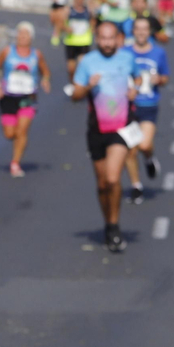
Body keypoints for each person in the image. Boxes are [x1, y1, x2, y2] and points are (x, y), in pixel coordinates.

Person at [69, 21, 136, 253]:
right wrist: (88, 86)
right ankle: (108, 223)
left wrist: (135, 89)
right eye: (103, 38)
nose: (107, 43)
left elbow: (138, 78)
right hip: (97, 128)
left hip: (121, 128)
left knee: (112, 178)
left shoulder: (127, 58)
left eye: (111, 38)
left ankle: (114, 225)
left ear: (117, 38)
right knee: (102, 184)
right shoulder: (87, 62)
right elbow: (75, 95)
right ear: (97, 39)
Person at [0, 22, 51, 177]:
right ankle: (16, 156)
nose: (22, 37)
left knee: (22, 130)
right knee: (10, 134)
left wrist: (45, 80)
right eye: (20, 33)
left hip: (27, 98)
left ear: (31, 37)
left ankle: (15, 163)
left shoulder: (36, 55)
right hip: (8, 97)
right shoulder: (7, 51)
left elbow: (45, 71)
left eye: (26, 34)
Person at [122, 16, 170, 202]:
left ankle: (149, 158)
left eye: (145, 29)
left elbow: (165, 77)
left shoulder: (158, 53)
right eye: (138, 29)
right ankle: (136, 186)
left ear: (149, 32)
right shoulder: (125, 52)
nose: (141, 32)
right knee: (130, 149)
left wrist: (159, 80)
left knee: (144, 145)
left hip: (149, 105)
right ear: (133, 31)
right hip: (128, 107)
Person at [61, 0, 96, 80]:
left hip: (84, 42)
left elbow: (93, 22)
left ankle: (80, 84)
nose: (80, 0)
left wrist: (92, 28)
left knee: (82, 66)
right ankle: (72, 83)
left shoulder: (88, 10)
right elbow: (61, 24)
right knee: (71, 69)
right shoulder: (69, 10)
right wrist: (66, 28)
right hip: (71, 42)